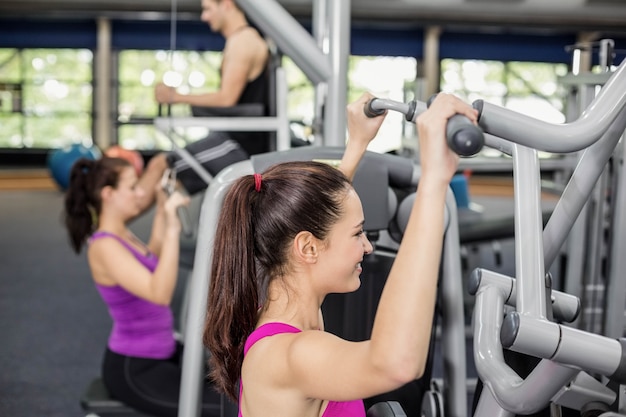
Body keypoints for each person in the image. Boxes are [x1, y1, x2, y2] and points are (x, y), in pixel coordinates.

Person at [202, 91, 479, 417]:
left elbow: (321, 217)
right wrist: (434, 178)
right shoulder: (293, 354)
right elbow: (397, 365)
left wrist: (357, 143)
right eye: (358, 233)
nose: (368, 246)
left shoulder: (283, 308)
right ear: (307, 247)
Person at [63, 156, 231, 417]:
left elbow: (153, 257)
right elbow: (159, 293)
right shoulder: (103, 246)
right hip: (137, 369)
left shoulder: (122, 235)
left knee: (233, 388)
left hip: (164, 351)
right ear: (108, 194)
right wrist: (173, 231)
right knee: (221, 408)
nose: (140, 193)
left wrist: (164, 210)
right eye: (131, 187)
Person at [136, 0, 271, 211]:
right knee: (165, 182)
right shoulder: (240, 40)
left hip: (240, 145)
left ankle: (110, 230)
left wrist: (176, 96)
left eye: (207, 9)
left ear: (226, 4)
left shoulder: (243, 42)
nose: (204, 17)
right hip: (232, 137)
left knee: (160, 166)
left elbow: (227, 98)